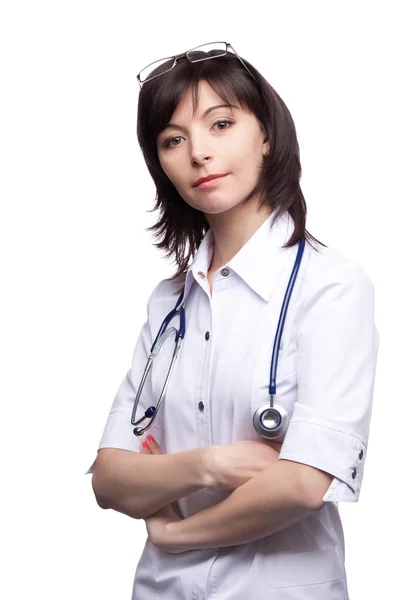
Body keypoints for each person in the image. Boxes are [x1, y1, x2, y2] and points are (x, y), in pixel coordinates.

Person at [85, 42, 379, 599]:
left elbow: (302, 485)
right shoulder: (168, 301)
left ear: (266, 135)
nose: (199, 152)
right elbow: (110, 479)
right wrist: (212, 465)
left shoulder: (331, 287)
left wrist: (176, 533)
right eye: (173, 140)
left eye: (221, 124)